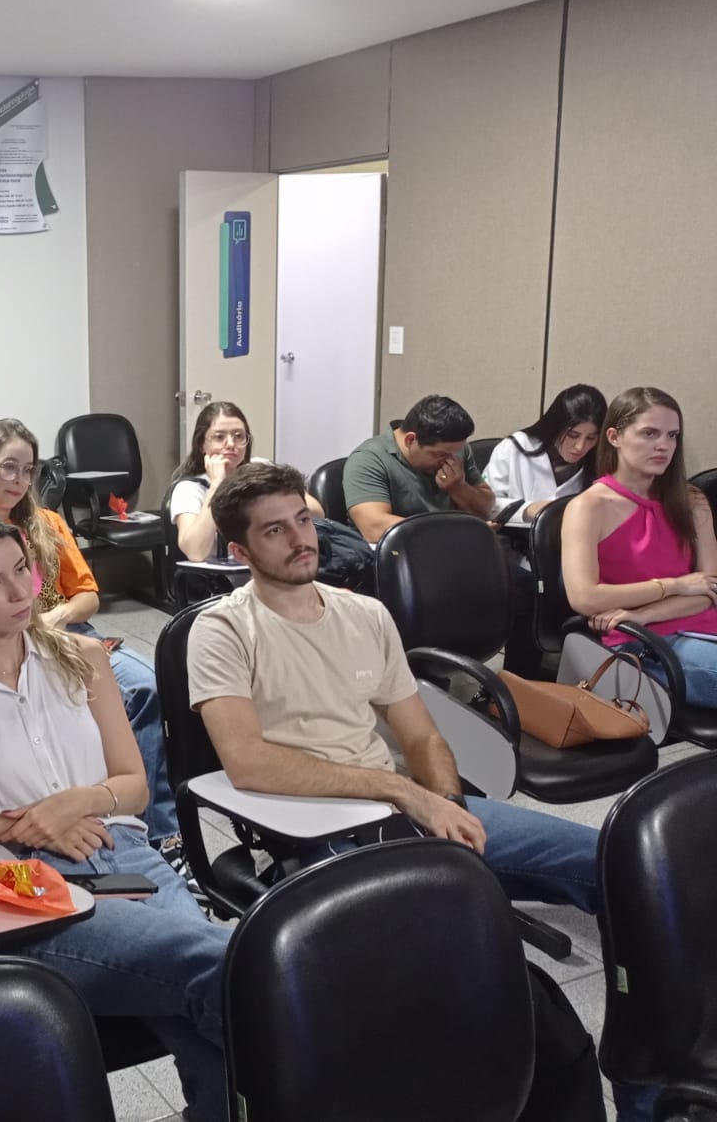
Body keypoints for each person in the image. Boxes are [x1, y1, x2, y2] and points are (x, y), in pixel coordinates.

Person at [188, 459, 650, 1121]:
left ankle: (654, 1056)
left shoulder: (364, 614)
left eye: (301, 521)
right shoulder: (223, 630)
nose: (300, 539)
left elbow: (422, 734)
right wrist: (405, 796)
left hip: (407, 807)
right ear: (240, 552)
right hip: (314, 827)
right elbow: (248, 763)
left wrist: (446, 807)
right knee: (471, 978)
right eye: (274, 531)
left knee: (619, 864)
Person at [0, 509, 230, 1121]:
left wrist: (77, 800)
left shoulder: (84, 657)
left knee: (207, 988)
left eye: (22, 570)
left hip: (124, 852)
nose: (21, 591)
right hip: (25, 883)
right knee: (225, 962)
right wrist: (24, 824)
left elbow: (132, 787)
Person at [0, 419, 178, 843]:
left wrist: (56, 618)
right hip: (4, 647)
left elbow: (88, 596)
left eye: (28, 470)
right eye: (9, 467)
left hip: (70, 632)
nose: (19, 480)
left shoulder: (46, 523)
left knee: (146, 686)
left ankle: (162, 833)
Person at [561, 386, 717, 707]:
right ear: (615, 437)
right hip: (640, 643)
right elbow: (585, 597)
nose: (663, 445)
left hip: (689, 625)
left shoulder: (691, 501)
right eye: (649, 433)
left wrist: (643, 613)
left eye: (672, 436)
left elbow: (708, 589)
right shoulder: (589, 506)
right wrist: (675, 586)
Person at [169, 401, 323, 560]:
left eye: (239, 436)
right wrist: (217, 485)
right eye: (219, 437)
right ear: (201, 444)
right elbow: (195, 552)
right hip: (220, 574)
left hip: (271, 564)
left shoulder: (261, 468)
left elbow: (317, 512)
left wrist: (267, 491)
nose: (231, 444)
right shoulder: (189, 489)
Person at [342, 393, 495, 543]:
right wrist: (453, 532)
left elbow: (486, 509)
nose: (450, 459)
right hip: (398, 553)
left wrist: (459, 488)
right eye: (440, 454)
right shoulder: (369, 459)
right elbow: (374, 527)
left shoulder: (455, 449)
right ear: (410, 440)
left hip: (454, 548)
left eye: (456, 452)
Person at [485, 384, 606, 522]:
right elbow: (484, 504)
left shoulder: (599, 462)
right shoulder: (514, 448)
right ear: (556, 426)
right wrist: (528, 509)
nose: (580, 446)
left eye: (591, 438)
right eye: (573, 435)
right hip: (512, 534)